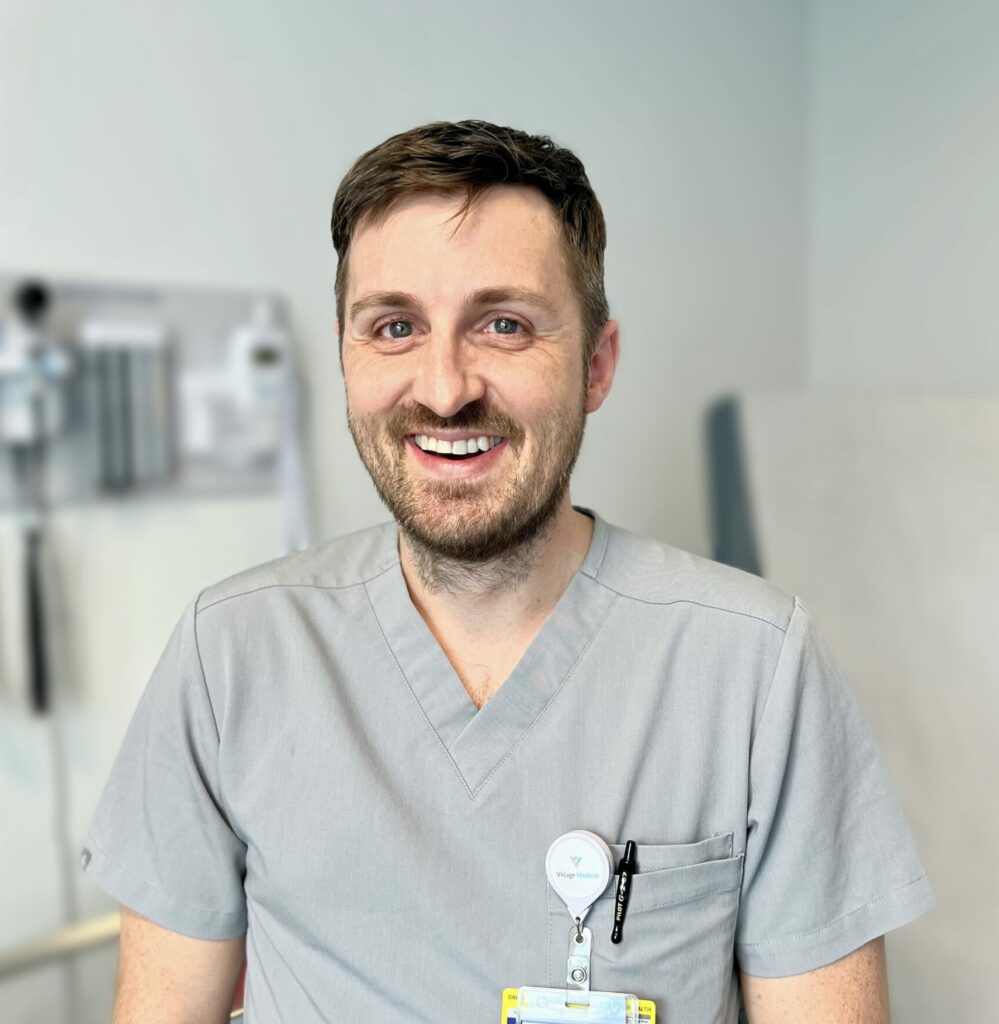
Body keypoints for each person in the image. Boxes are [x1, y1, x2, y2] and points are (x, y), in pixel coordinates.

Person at [83, 120, 934, 1023]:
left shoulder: (755, 669)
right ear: (346, 352)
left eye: (503, 325)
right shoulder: (231, 656)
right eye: (395, 326)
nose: (445, 388)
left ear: (596, 365)